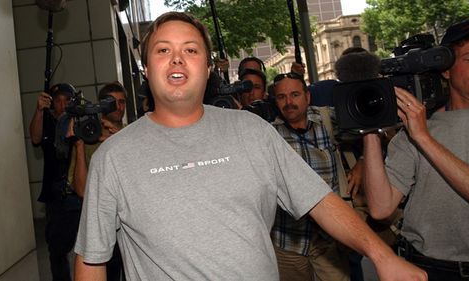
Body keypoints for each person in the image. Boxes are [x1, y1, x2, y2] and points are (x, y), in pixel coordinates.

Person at [74, 11, 426, 281]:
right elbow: (92, 259)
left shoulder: (252, 131)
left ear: (208, 67)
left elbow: (320, 201)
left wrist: (382, 256)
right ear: (146, 69)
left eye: (190, 50)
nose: (177, 59)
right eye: (163, 50)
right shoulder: (114, 157)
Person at [362, 19, 469, 281]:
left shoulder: (420, 130)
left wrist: (424, 137)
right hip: (421, 267)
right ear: (445, 69)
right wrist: (369, 130)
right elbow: (380, 208)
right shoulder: (417, 125)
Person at [270, 72, 350, 281]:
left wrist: (360, 163)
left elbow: (369, 128)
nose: (289, 102)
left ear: (308, 96)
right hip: (288, 242)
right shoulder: (267, 135)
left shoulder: (327, 120)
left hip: (329, 239)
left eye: (295, 94)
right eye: (281, 97)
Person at [68, 82, 127, 281]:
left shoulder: (135, 134)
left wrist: (120, 141)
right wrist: (79, 145)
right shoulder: (89, 136)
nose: (118, 107)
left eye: (122, 102)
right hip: (103, 227)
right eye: (113, 102)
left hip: (131, 227)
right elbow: (82, 190)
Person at [29, 83, 80, 281]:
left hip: (80, 191)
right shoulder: (47, 121)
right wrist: (39, 110)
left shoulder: (79, 119)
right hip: (55, 194)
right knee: (57, 250)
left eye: (67, 100)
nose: (62, 105)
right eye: (57, 101)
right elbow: (34, 137)